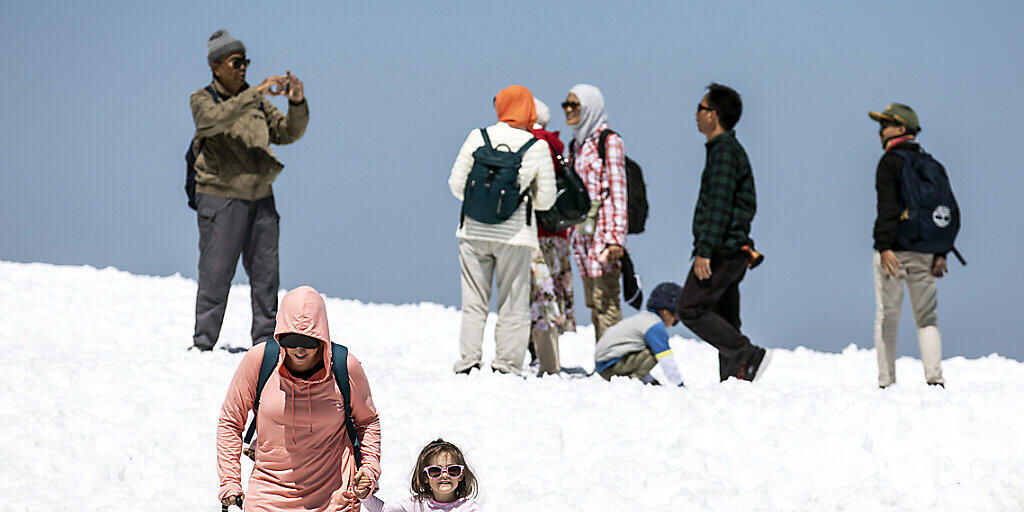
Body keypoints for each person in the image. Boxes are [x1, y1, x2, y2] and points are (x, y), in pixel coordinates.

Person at [190, 30, 309, 351]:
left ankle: (265, 344)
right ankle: (203, 343)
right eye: (235, 62)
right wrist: (254, 93)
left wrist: (297, 103)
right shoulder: (203, 100)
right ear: (216, 67)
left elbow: (286, 133)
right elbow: (211, 122)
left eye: (246, 62)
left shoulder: (255, 103)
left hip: (261, 199)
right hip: (221, 198)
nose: (242, 68)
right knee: (216, 274)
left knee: (266, 276)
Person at [216, 286, 381, 512]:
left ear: (322, 337)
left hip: (333, 499)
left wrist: (370, 469)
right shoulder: (261, 360)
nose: (299, 349)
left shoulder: (344, 366)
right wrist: (230, 481)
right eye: (290, 340)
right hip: (267, 495)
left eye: (309, 342)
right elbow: (230, 421)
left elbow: (367, 421)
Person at [448, 85, 556, 374]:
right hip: (515, 236)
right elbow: (545, 201)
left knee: (473, 300)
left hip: (473, 232)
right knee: (513, 301)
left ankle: (469, 360)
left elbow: (456, 186)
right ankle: (507, 364)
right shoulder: (537, 147)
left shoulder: (478, 137)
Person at [677, 83, 770, 382]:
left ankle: (745, 354)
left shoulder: (724, 153)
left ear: (713, 115)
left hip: (722, 250)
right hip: (732, 248)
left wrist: (705, 251)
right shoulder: (724, 150)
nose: (695, 114)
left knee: (690, 308)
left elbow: (719, 206)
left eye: (701, 108)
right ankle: (734, 378)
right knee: (725, 315)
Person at [869, 103, 947, 388]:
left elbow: (887, 208)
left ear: (901, 129)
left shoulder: (890, 162)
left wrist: (884, 247)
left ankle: (886, 383)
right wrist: (941, 252)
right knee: (927, 317)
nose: (880, 131)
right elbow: (942, 211)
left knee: (887, 317)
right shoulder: (931, 164)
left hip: (894, 251)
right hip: (926, 251)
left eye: (884, 125)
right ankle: (934, 380)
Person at [562, 84, 627, 343]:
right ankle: (605, 362)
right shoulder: (575, 145)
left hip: (603, 234)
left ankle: (614, 363)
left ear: (589, 107)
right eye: (565, 105)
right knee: (593, 301)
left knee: (607, 301)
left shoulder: (609, 142)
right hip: (582, 236)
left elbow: (618, 191)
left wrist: (616, 239)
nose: (568, 110)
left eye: (574, 105)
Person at [527, 98, 576, 375]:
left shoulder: (534, 142)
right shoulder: (556, 143)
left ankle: (547, 362)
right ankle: (549, 358)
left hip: (537, 231)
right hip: (558, 233)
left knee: (540, 297)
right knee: (553, 294)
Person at [595, 282, 686, 386]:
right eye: (676, 318)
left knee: (649, 349)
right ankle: (635, 380)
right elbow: (666, 359)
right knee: (655, 352)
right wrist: (679, 385)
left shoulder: (645, 318)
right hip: (610, 366)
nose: (674, 322)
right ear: (665, 312)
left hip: (604, 365)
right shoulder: (655, 325)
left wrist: (651, 382)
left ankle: (637, 378)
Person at [358, 438, 482, 512]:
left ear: (461, 475)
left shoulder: (469, 508)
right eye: (435, 471)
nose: (444, 475)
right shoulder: (418, 504)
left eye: (453, 470)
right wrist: (365, 496)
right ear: (425, 477)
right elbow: (383, 510)